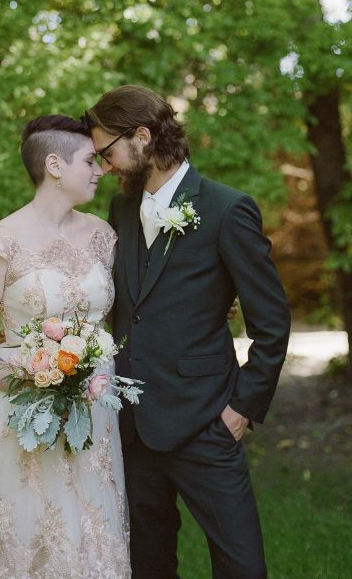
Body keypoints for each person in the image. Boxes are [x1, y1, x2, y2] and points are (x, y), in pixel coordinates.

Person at [85, 85, 291, 579]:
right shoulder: (120, 212)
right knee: (148, 566)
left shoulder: (227, 208)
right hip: (134, 428)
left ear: (141, 137)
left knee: (244, 568)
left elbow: (272, 322)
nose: (104, 166)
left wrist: (240, 410)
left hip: (206, 423)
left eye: (106, 152)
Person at [0, 115, 130, 579]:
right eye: (89, 161)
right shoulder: (2, 239)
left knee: (87, 541)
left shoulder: (103, 235)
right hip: (13, 412)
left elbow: (118, 323)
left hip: (91, 413)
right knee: (18, 541)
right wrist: (37, 387)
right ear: (54, 165)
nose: (100, 170)